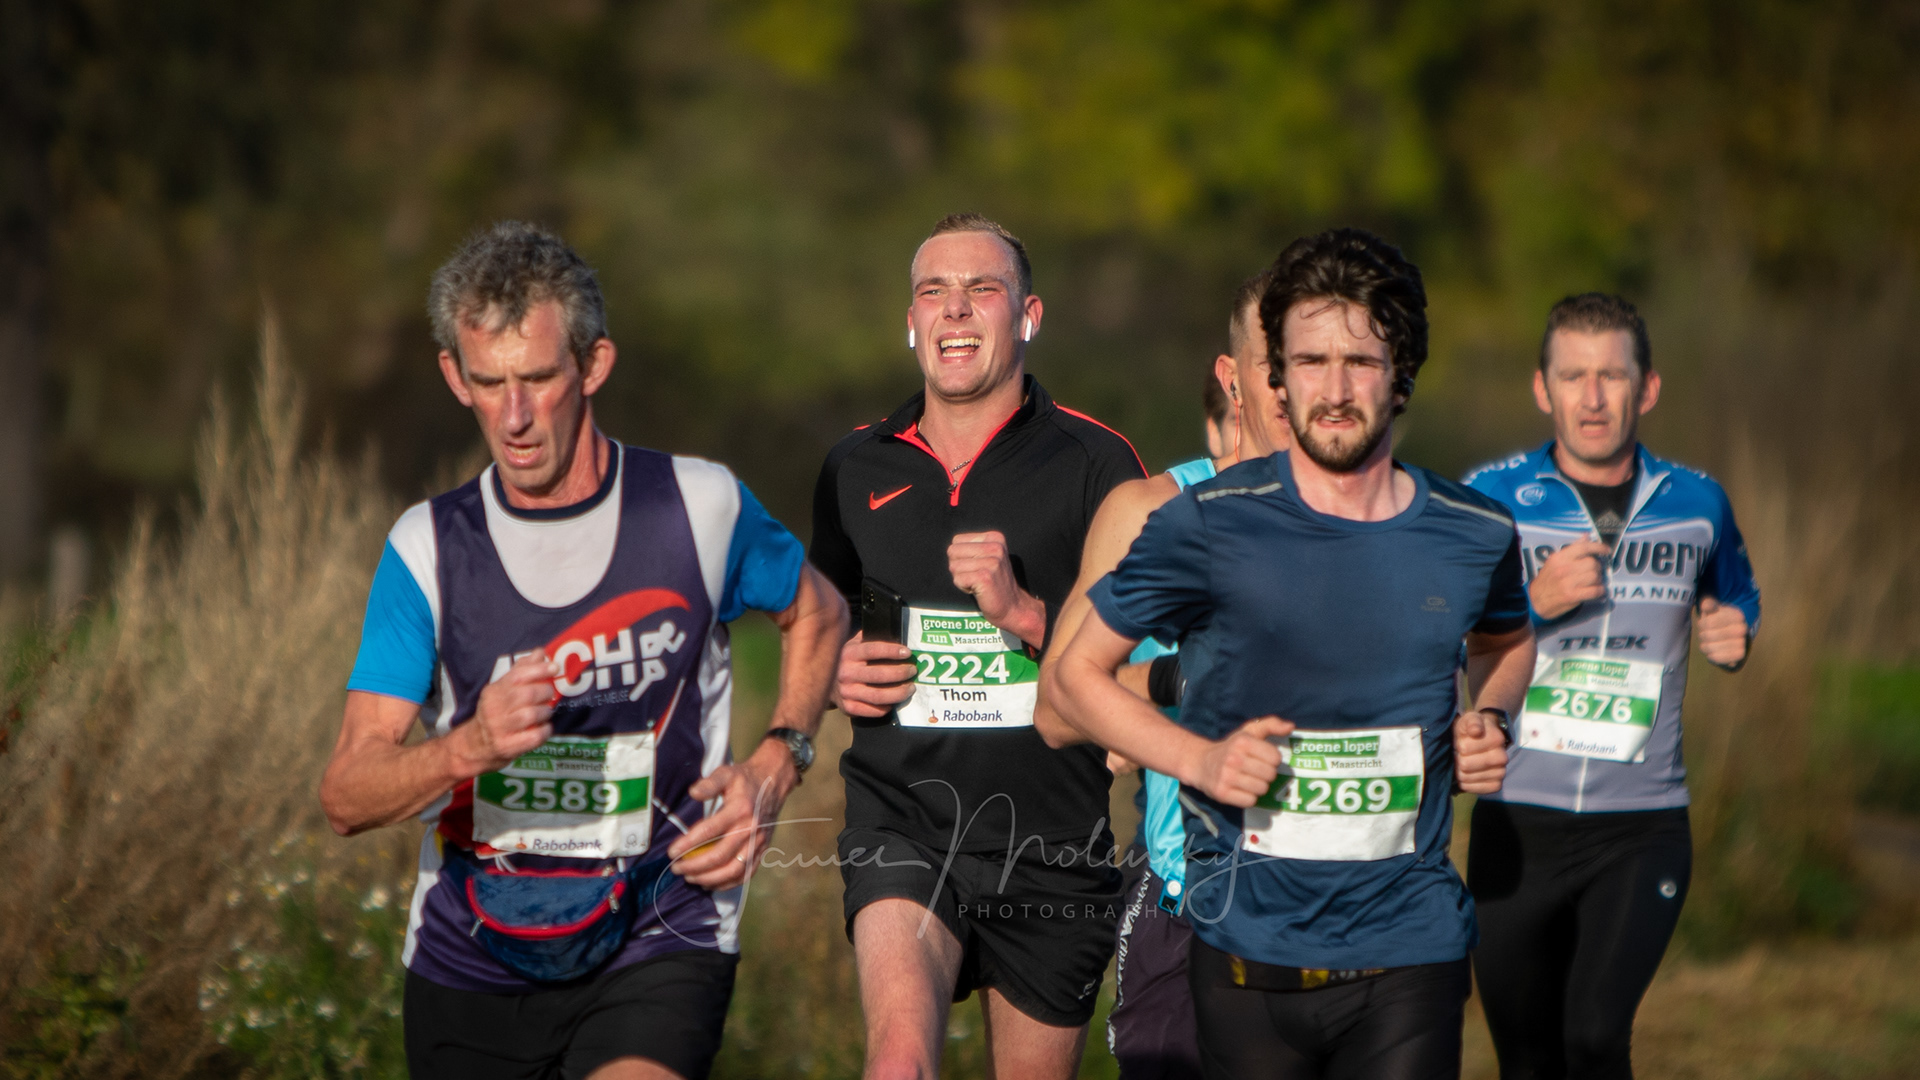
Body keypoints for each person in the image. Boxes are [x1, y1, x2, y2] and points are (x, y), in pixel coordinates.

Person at [319, 222, 846, 1080]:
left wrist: (777, 763)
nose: (514, 417)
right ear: (454, 376)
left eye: (537, 379)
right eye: (489, 383)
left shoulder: (698, 506)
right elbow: (346, 795)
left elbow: (818, 612)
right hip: (471, 955)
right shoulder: (427, 549)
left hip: (662, 929)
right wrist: (470, 747)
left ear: (593, 365)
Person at [1048, 227, 1535, 1080]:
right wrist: (1198, 757)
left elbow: (1509, 637)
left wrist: (1490, 715)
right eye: (1310, 361)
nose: (1335, 391)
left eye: (1361, 361)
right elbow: (1070, 682)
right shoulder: (1204, 525)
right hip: (1246, 953)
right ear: (1274, 377)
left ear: (1402, 372)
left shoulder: (1472, 531)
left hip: (1410, 949)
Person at [810, 212, 1147, 1079]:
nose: (955, 309)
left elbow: (1142, 668)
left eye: (981, 290)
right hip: (903, 827)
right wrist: (835, 671)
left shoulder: (1099, 464)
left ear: (1028, 316)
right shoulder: (855, 466)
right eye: (935, 292)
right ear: (911, 322)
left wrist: (1026, 614)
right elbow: (821, 623)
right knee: (898, 1061)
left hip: (1055, 847)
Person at [1463, 293, 1759, 1080]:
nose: (1592, 398)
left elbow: (1736, 594)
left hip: (1642, 826)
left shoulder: (1699, 503)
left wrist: (1737, 630)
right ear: (1542, 389)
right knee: (1527, 1061)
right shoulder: (1490, 499)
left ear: (1647, 388)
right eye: (1573, 376)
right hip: (1517, 820)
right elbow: (1439, 636)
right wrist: (1533, 602)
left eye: (1611, 376)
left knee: (1595, 1038)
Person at [1034, 264, 1290, 1080]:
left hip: (1348, 911)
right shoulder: (1149, 512)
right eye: (1278, 364)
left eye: (1326, 361)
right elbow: (1056, 710)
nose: (1301, 387)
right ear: (1232, 377)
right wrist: (1177, 684)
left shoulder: (1389, 518)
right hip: (1193, 903)